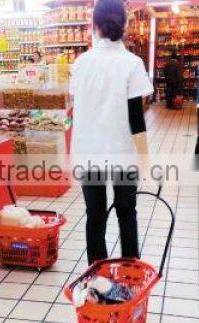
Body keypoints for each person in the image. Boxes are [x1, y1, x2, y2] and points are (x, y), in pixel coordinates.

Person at [70, 0, 154, 265]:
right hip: (121, 152)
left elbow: (78, 107)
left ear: (94, 25)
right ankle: (131, 271)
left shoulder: (81, 63)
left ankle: (97, 276)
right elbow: (136, 119)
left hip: (88, 150)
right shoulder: (131, 63)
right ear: (125, 24)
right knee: (126, 212)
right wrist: (145, 160)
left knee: (94, 215)